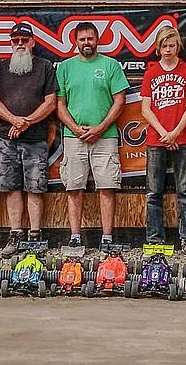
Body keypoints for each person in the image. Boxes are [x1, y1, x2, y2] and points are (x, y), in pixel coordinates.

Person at [56, 21, 128, 248]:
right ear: (75, 42)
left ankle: (107, 237)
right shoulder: (65, 68)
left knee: (107, 186)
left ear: (97, 40)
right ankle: (75, 237)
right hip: (73, 136)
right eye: (82, 39)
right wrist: (76, 128)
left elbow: (120, 101)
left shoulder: (111, 65)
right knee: (73, 187)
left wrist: (100, 127)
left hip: (105, 136)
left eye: (90, 38)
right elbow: (59, 104)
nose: (86, 43)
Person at [0, 21, 58, 258]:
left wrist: (26, 121)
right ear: (10, 42)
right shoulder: (0, 67)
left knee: (35, 188)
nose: (20, 44)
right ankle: (16, 234)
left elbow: (51, 103)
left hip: (36, 138)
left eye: (24, 40)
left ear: (33, 42)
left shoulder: (44, 67)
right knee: (11, 188)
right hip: (6, 139)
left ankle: (35, 237)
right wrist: (13, 120)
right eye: (15, 40)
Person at [141, 26, 186, 255]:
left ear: (178, 47)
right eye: (164, 46)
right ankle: (155, 240)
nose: (168, 50)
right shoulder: (151, 73)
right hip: (156, 140)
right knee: (153, 192)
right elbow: (145, 109)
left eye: (172, 45)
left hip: (182, 138)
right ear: (158, 48)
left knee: (185, 192)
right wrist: (164, 134)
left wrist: (175, 132)